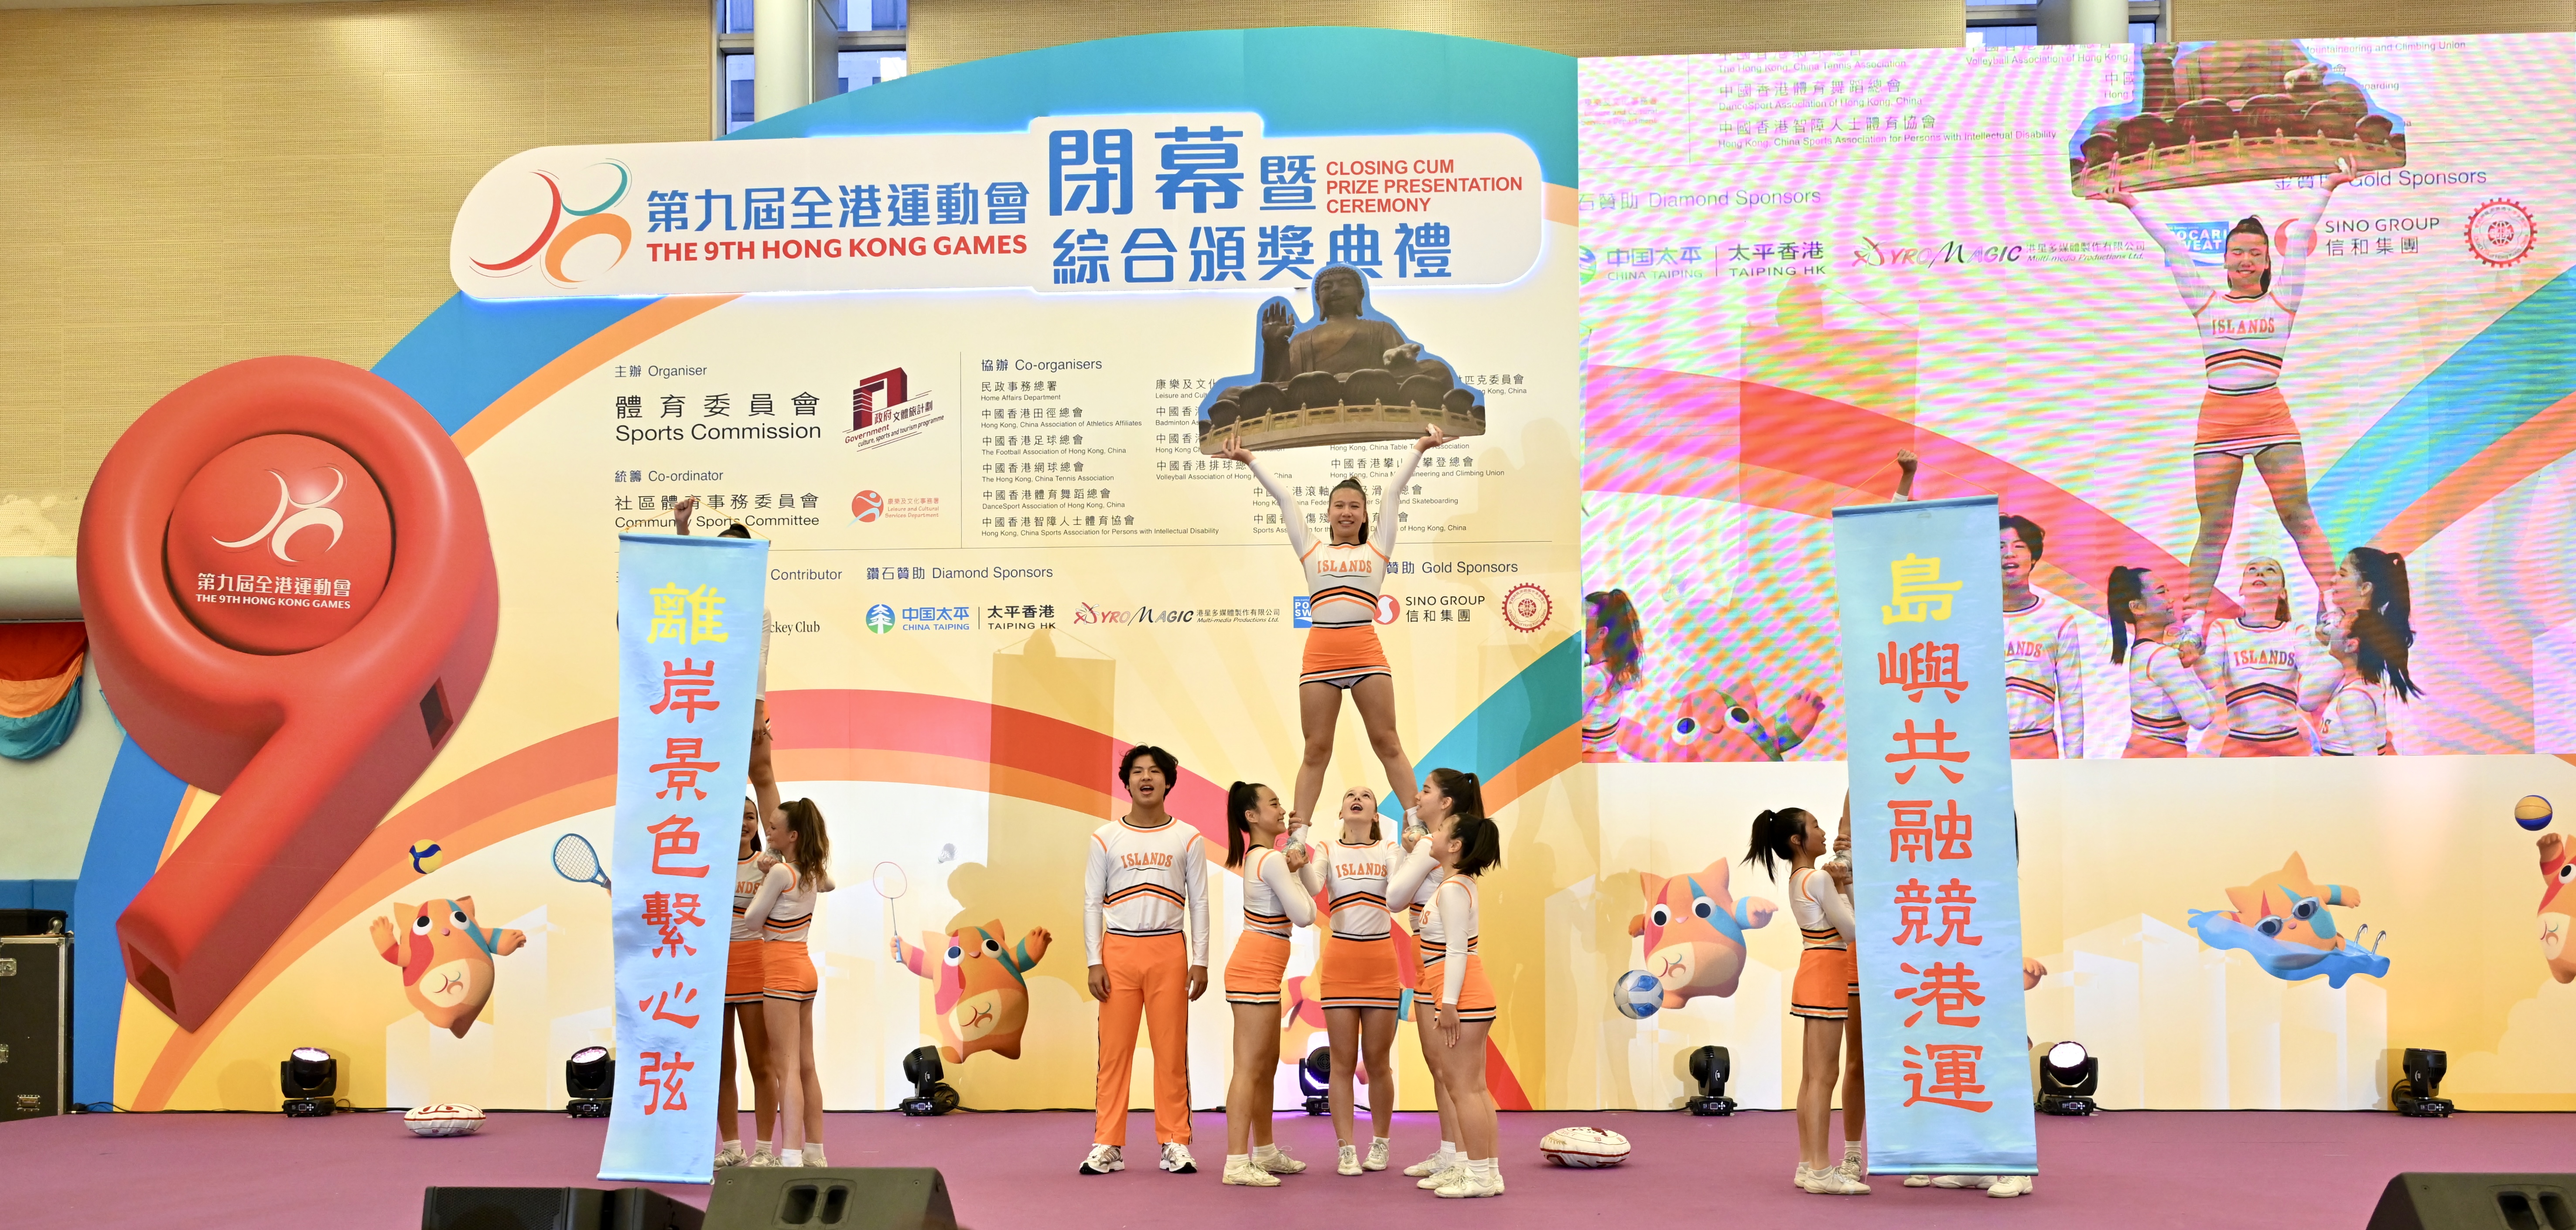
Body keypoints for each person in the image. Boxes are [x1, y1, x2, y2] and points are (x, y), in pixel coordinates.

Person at [2095, 165, 2354, 628]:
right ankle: (2194, 620)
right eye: (2237, 252)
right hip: (2218, 423)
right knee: (2214, 526)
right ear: (2225, 260)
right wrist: (2131, 203)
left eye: (2255, 253)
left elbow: (2299, 239)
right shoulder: (2205, 301)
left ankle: (2332, 606)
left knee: (2298, 515)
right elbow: (2173, 249)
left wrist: (2326, 188)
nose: (2245, 260)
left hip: (2270, 418)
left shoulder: (2282, 300)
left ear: (2267, 262)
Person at [1220, 424, 1449, 829]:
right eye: (1339, 505)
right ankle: (1298, 835)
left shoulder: (1378, 547)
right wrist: (1249, 459)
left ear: (1365, 515)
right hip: (1321, 658)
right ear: (1328, 514)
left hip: (1366, 654)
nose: (1346, 512)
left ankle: (1416, 824)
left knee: (1387, 742)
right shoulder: (1312, 548)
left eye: (1355, 506)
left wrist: (1420, 447)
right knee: (1316, 750)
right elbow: (1285, 498)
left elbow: (1393, 492)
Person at [1081, 746, 1212, 1176]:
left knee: (1170, 1052)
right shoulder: (1105, 837)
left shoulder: (1188, 837)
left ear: (1168, 781)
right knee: (1113, 1053)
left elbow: (1200, 902)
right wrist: (1094, 960)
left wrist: (1201, 959)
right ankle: (1108, 1143)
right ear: (1127, 782)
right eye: (1137, 771)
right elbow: (1091, 903)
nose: (1146, 778)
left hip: (1168, 950)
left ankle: (1175, 1141)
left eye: (1154, 771)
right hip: (1117, 950)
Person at [1295, 785, 1437, 1175]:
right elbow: (1313, 886)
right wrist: (1298, 857)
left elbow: (1400, 890)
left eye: (1367, 796)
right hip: (1341, 962)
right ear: (1341, 811)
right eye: (1350, 796)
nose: (1357, 798)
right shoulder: (1327, 848)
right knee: (1341, 1062)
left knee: (1378, 1062)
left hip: (1380, 962)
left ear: (1375, 814)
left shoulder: (1389, 849)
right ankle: (1346, 1149)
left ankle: (1381, 1143)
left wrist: (1413, 846)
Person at [1746, 804, 1866, 1195]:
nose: (1823, 832)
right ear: (1797, 840)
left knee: (1813, 1076)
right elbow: (1852, 930)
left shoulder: (1801, 877)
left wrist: (1841, 883)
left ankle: (1807, 1164)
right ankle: (1820, 1170)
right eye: (1815, 826)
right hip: (1827, 972)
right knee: (1824, 1077)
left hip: (1814, 970)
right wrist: (1843, 884)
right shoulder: (1818, 878)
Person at [1219, 781, 1317, 1188]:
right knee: (1249, 1068)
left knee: (1266, 1066)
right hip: (1254, 970)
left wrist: (1298, 860)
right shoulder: (1271, 859)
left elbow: (1309, 895)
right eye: (1273, 803)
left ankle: (1264, 1151)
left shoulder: (1268, 858)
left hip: (1263, 971)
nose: (1282, 809)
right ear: (1252, 816)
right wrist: (1294, 868)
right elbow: (1306, 914)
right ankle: (1236, 1162)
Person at [739, 755, 834, 1168]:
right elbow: (830, 883)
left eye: (774, 827)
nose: (768, 831)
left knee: (786, 1067)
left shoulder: (780, 873)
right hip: (805, 970)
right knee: (806, 1064)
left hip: (780, 971)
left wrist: (768, 871)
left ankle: (791, 1154)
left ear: (791, 835)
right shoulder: (811, 870)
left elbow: (751, 919)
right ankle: (815, 1151)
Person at [1416, 785, 1504, 1199]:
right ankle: (1486, 1172)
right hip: (1467, 996)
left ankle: (1480, 1175)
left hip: (1463, 999)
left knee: (1464, 1089)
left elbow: (1456, 949)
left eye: (1440, 831)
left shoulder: (1453, 889)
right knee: (1474, 1088)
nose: (1432, 835)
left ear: (1454, 845)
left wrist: (1448, 1004)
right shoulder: (1456, 884)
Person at [1401, 770, 1484, 1188]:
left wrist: (1448, 1002)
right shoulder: (1440, 862)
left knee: (1461, 1081)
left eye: (1427, 790)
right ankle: (1458, 1156)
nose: (1419, 796)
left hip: (1450, 981)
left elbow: (1456, 948)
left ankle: (1472, 1165)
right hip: (1433, 972)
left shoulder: (1449, 871)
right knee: (1447, 1073)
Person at [2199, 557, 2335, 756]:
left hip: (2289, 744)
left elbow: (2312, 674)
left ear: (2282, 593)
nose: (2260, 573)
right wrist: (2197, 657)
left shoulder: (2296, 631)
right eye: (2252, 570)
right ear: (2241, 589)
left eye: (2270, 570)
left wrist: (2331, 641)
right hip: (2239, 745)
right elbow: (2210, 678)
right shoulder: (2223, 628)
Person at [715, 746, 779, 1167]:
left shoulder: (768, 865)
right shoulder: (708, 866)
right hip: (716, 971)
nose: (743, 823)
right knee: (723, 1066)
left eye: (750, 817)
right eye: (736, 816)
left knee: (762, 1063)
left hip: (756, 966)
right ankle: (732, 1147)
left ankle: (765, 1149)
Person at [2318, 547, 2421, 756]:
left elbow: (2308, 699)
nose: (2333, 580)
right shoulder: (2361, 632)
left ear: (2365, 588)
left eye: (2343, 574)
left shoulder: (2355, 696)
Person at [2106, 566, 2218, 757]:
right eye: (2161, 592)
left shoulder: (2148, 651)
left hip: (2150, 755)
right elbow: (2202, 718)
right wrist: (2188, 669)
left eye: (2168, 590)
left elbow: (2211, 681)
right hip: (2157, 757)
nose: (2171, 599)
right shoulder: (2162, 656)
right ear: (2137, 607)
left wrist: (2191, 648)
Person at [2001, 515, 2087, 759]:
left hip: (2038, 747)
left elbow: (2071, 697)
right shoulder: (1973, 619)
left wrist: (2075, 762)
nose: (2009, 554)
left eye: (2019, 546)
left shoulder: (2057, 620)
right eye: (2000, 547)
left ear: (2033, 557)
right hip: (1987, 749)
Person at [1582, 591, 1643, 763]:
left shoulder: (1593, 676)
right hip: (1605, 760)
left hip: (1589, 763)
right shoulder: (1616, 670)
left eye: (1584, 621)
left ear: (1602, 633)